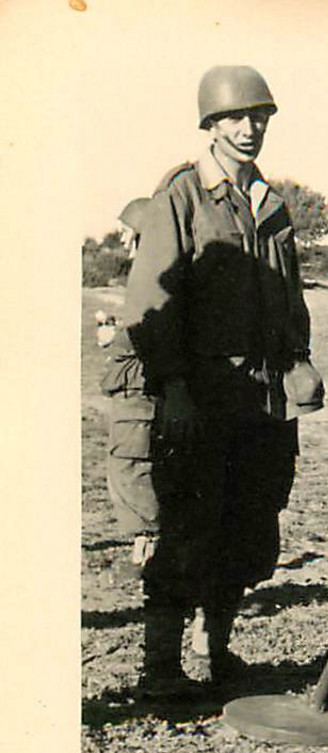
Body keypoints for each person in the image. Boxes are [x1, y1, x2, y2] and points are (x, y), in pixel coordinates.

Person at [119, 65, 322, 699]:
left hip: (262, 398)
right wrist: (172, 385)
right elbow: (151, 300)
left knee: (249, 525)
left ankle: (217, 653)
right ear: (210, 123)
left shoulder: (270, 201)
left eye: (259, 116)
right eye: (235, 117)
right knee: (186, 525)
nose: (248, 128)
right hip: (201, 394)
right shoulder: (180, 196)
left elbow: (288, 294)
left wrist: (300, 357)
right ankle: (160, 670)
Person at [98, 198, 161, 576]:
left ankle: (150, 550)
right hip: (136, 388)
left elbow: (151, 332)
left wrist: (116, 338)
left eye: (127, 232)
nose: (122, 240)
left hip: (140, 393)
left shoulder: (155, 276)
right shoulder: (150, 274)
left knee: (132, 464)